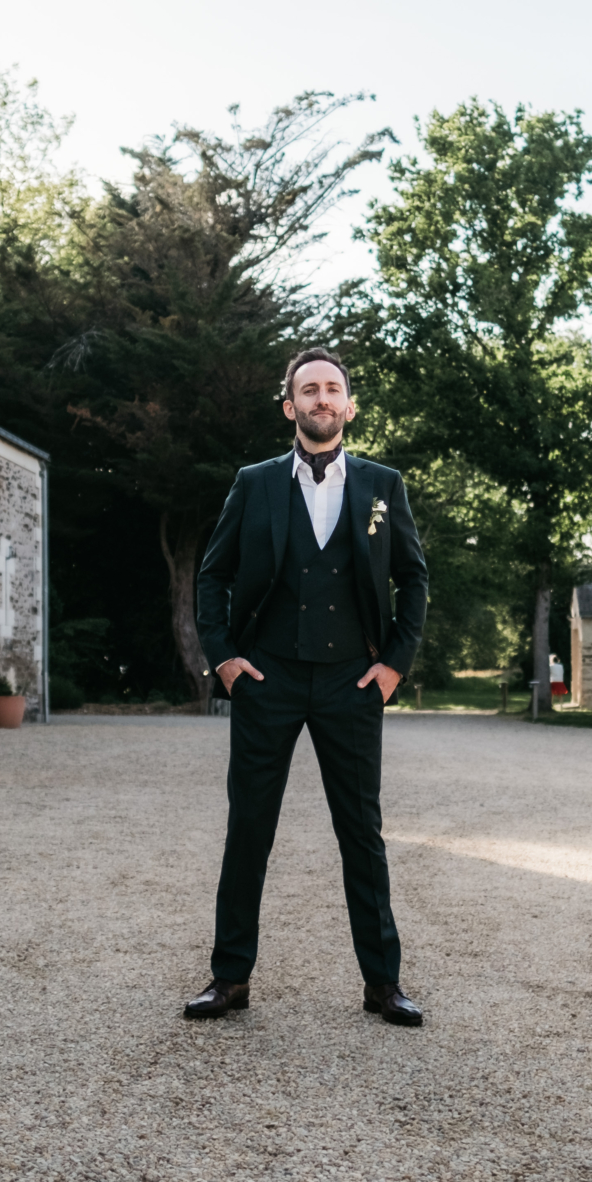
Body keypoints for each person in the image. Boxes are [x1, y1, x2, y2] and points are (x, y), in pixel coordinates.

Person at [184, 347, 431, 1026]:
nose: (322, 399)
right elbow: (213, 574)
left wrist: (394, 666)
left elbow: (413, 578)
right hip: (268, 678)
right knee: (248, 828)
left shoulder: (383, 484)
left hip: (354, 680)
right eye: (309, 389)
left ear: (349, 405)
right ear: (289, 405)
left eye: (332, 389)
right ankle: (230, 977)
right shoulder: (254, 482)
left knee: (362, 834)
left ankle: (383, 983)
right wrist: (225, 658)